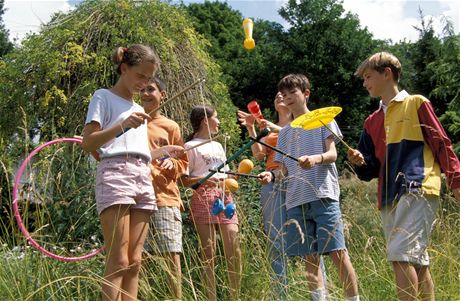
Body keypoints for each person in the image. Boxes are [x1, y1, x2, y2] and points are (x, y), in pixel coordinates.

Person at [348, 51, 460, 301]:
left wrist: (456, 181)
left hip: (417, 185)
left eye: (368, 77)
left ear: (387, 73)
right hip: (388, 195)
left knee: (400, 256)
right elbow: (369, 171)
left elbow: (442, 144)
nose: (365, 83)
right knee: (417, 261)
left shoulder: (417, 103)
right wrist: (359, 162)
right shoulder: (371, 122)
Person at [259, 74, 360, 301]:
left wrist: (315, 159)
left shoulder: (323, 121)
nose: (287, 98)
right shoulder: (284, 132)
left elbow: (333, 154)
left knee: (337, 253)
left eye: (292, 93)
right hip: (295, 200)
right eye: (284, 95)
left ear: (306, 94)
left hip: (323, 195)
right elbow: (283, 169)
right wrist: (272, 175)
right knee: (309, 258)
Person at [82, 44, 160, 301]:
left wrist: (166, 153)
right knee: (118, 259)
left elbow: (136, 148)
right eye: (140, 76)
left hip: (142, 175)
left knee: (135, 261)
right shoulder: (103, 96)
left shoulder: (139, 109)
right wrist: (122, 125)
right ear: (124, 68)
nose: (144, 84)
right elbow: (89, 143)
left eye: (149, 79)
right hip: (116, 174)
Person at [181, 105, 241, 301]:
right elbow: (183, 180)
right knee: (209, 251)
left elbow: (228, 173)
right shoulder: (190, 147)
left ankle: (235, 296)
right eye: (217, 117)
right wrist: (205, 180)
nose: (219, 122)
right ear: (205, 120)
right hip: (203, 196)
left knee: (234, 247)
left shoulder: (218, 145)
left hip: (225, 196)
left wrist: (234, 177)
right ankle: (211, 297)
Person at [237, 92, 291, 299]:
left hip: (297, 181)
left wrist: (268, 125)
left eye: (283, 93)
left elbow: (297, 135)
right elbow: (259, 154)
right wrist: (252, 128)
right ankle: (280, 294)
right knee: (276, 240)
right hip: (271, 181)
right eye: (276, 94)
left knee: (307, 239)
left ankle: (317, 291)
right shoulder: (267, 127)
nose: (278, 95)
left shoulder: (299, 123)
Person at [140, 77, 188, 300]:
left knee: (171, 255)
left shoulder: (170, 126)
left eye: (151, 89)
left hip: (165, 198)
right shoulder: (131, 123)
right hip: (136, 199)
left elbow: (183, 162)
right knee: (140, 260)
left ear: (163, 94)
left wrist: (173, 163)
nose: (146, 93)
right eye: (142, 89)